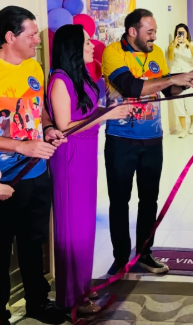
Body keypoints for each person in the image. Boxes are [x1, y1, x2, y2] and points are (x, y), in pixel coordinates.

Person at [102, 9, 193, 276]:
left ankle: (145, 254)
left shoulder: (156, 53)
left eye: (155, 31)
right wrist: (172, 78)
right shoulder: (113, 53)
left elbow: (168, 90)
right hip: (121, 140)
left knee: (149, 200)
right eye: (150, 32)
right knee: (119, 202)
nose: (154, 37)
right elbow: (131, 87)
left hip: (153, 140)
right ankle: (121, 259)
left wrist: (186, 82)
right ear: (132, 31)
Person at [47, 24, 134, 314]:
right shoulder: (60, 80)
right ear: (72, 47)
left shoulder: (82, 76)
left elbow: (90, 113)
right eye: (85, 42)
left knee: (84, 225)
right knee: (72, 227)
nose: (92, 46)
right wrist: (106, 115)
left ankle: (82, 289)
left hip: (86, 154)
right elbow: (64, 127)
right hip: (70, 155)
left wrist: (113, 109)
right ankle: (70, 298)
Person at [0, 6, 66, 325]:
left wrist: (48, 127)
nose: (37, 41)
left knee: (33, 241)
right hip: (5, 180)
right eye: (31, 35)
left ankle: (37, 303)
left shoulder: (34, 68)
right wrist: (20, 146)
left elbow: (38, 111)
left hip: (37, 173)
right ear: (10, 37)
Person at [168, 24, 193, 138]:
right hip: (176, 75)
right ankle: (183, 129)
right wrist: (174, 44)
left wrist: (187, 43)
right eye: (179, 33)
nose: (181, 35)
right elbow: (170, 58)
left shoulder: (192, 43)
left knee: (190, 102)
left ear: (186, 33)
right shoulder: (172, 45)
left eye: (183, 33)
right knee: (178, 102)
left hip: (188, 75)